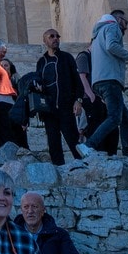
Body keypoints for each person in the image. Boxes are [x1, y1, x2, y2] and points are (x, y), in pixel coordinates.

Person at [35, 30, 90, 166]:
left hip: (66, 107)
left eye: (57, 36)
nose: (55, 39)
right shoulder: (41, 62)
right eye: (51, 36)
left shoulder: (67, 58)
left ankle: (84, 165)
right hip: (49, 110)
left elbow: (78, 81)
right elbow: (38, 81)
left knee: (73, 139)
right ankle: (58, 170)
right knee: (53, 142)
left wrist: (78, 100)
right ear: (45, 41)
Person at [86, 11, 128, 155]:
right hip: (110, 80)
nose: (125, 27)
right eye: (126, 22)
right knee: (114, 118)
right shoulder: (112, 27)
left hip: (99, 82)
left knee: (126, 120)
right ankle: (89, 145)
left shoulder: (97, 36)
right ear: (119, 19)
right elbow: (111, 46)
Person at [17, 191, 84, 254]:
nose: (30, 211)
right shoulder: (11, 234)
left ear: (43, 210)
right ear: (21, 210)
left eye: (34, 206)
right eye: (26, 207)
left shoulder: (58, 234)